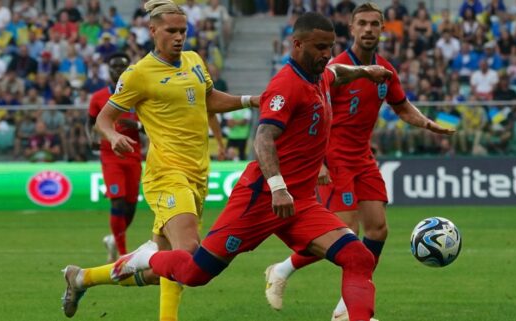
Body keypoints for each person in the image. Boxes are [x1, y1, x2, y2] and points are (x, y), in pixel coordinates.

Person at [108, 12, 394, 321]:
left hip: (301, 204)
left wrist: (367, 71)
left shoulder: (322, 74)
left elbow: (339, 72)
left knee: (358, 257)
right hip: (261, 199)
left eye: (329, 46)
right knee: (194, 273)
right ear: (297, 44)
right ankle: (150, 256)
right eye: (319, 47)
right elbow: (264, 138)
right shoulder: (286, 85)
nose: (326, 54)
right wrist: (278, 188)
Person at [61, 1, 259, 321]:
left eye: (183, 31)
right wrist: (113, 137)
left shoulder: (194, 60)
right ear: (153, 31)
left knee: (165, 265)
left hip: (197, 172)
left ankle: (82, 277)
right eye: (171, 31)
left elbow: (209, 101)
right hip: (166, 172)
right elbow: (103, 119)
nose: (179, 37)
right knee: (189, 254)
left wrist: (251, 100)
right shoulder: (138, 74)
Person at [263, 4, 454, 321]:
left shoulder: (384, 70)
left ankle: (342, 308)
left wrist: (428, 124)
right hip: (334, 157)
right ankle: (283, 271)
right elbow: (315, 114)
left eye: (374, 24)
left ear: (382, 29)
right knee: (346, 235)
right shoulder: (334, 69)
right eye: (362, 24)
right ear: (351, 29)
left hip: (363, 157)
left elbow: (402, 106)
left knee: (377, 230)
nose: (368, 29)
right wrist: (319, 162)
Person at [86, 52, 142, 264]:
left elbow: (151, 126)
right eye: (115, 67)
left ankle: (113, 238)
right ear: (108, 71)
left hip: (134, 154)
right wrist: (91, 137)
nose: (118, 71)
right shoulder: (99, 97)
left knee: (130, 206)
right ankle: (122, 252)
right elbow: (89, 121)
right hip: (110, 155)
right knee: (117, 202)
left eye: (123, 67)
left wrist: (136, 125)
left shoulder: (139, 95)